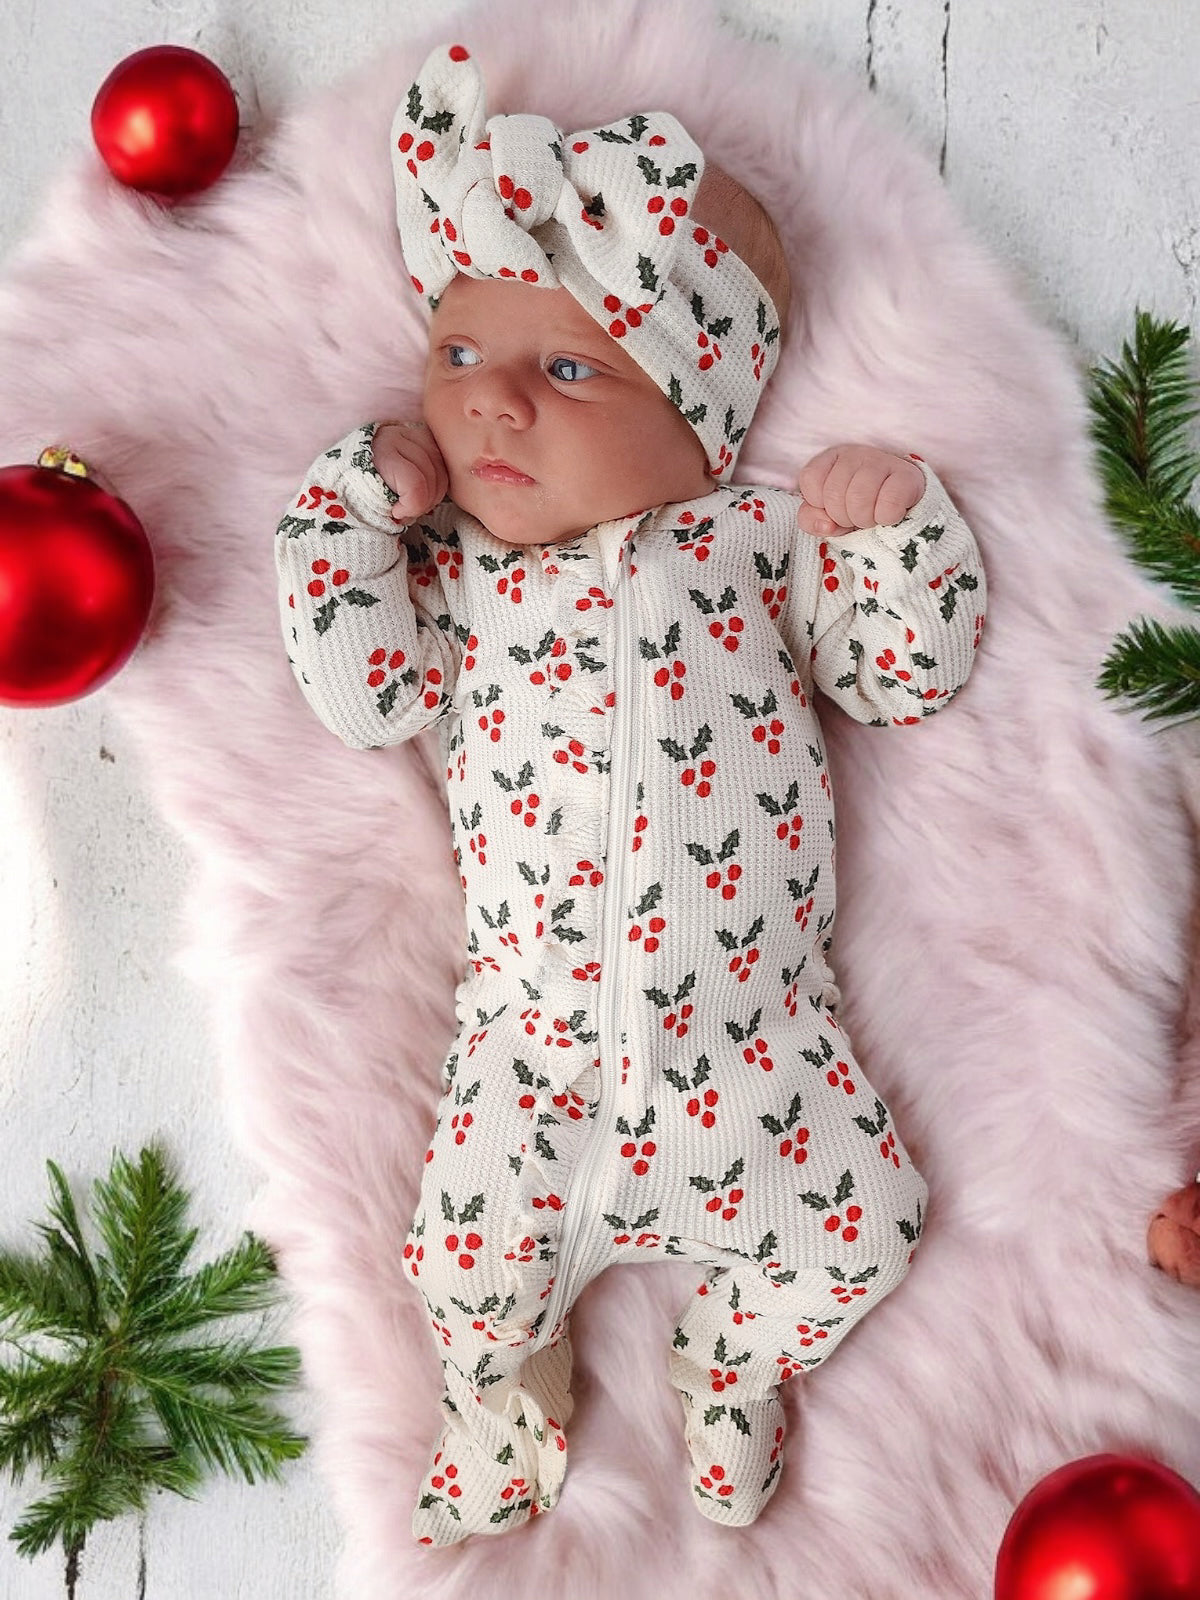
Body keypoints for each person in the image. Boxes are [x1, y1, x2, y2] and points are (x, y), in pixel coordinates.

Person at [275, 42, 986, 1548]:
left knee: (870, 1230)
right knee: (456, 1265)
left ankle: (733, 1355)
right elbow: (361, 693)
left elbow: (898, 676)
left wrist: (898, 539)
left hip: (757, 1056)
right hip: (530, 1063)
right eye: (457, 357)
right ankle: (504, 1390)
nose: (489, 409)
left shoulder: (754, 545)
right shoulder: (457, 578)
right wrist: (346, 513)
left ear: (706, 414)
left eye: (568, 368)